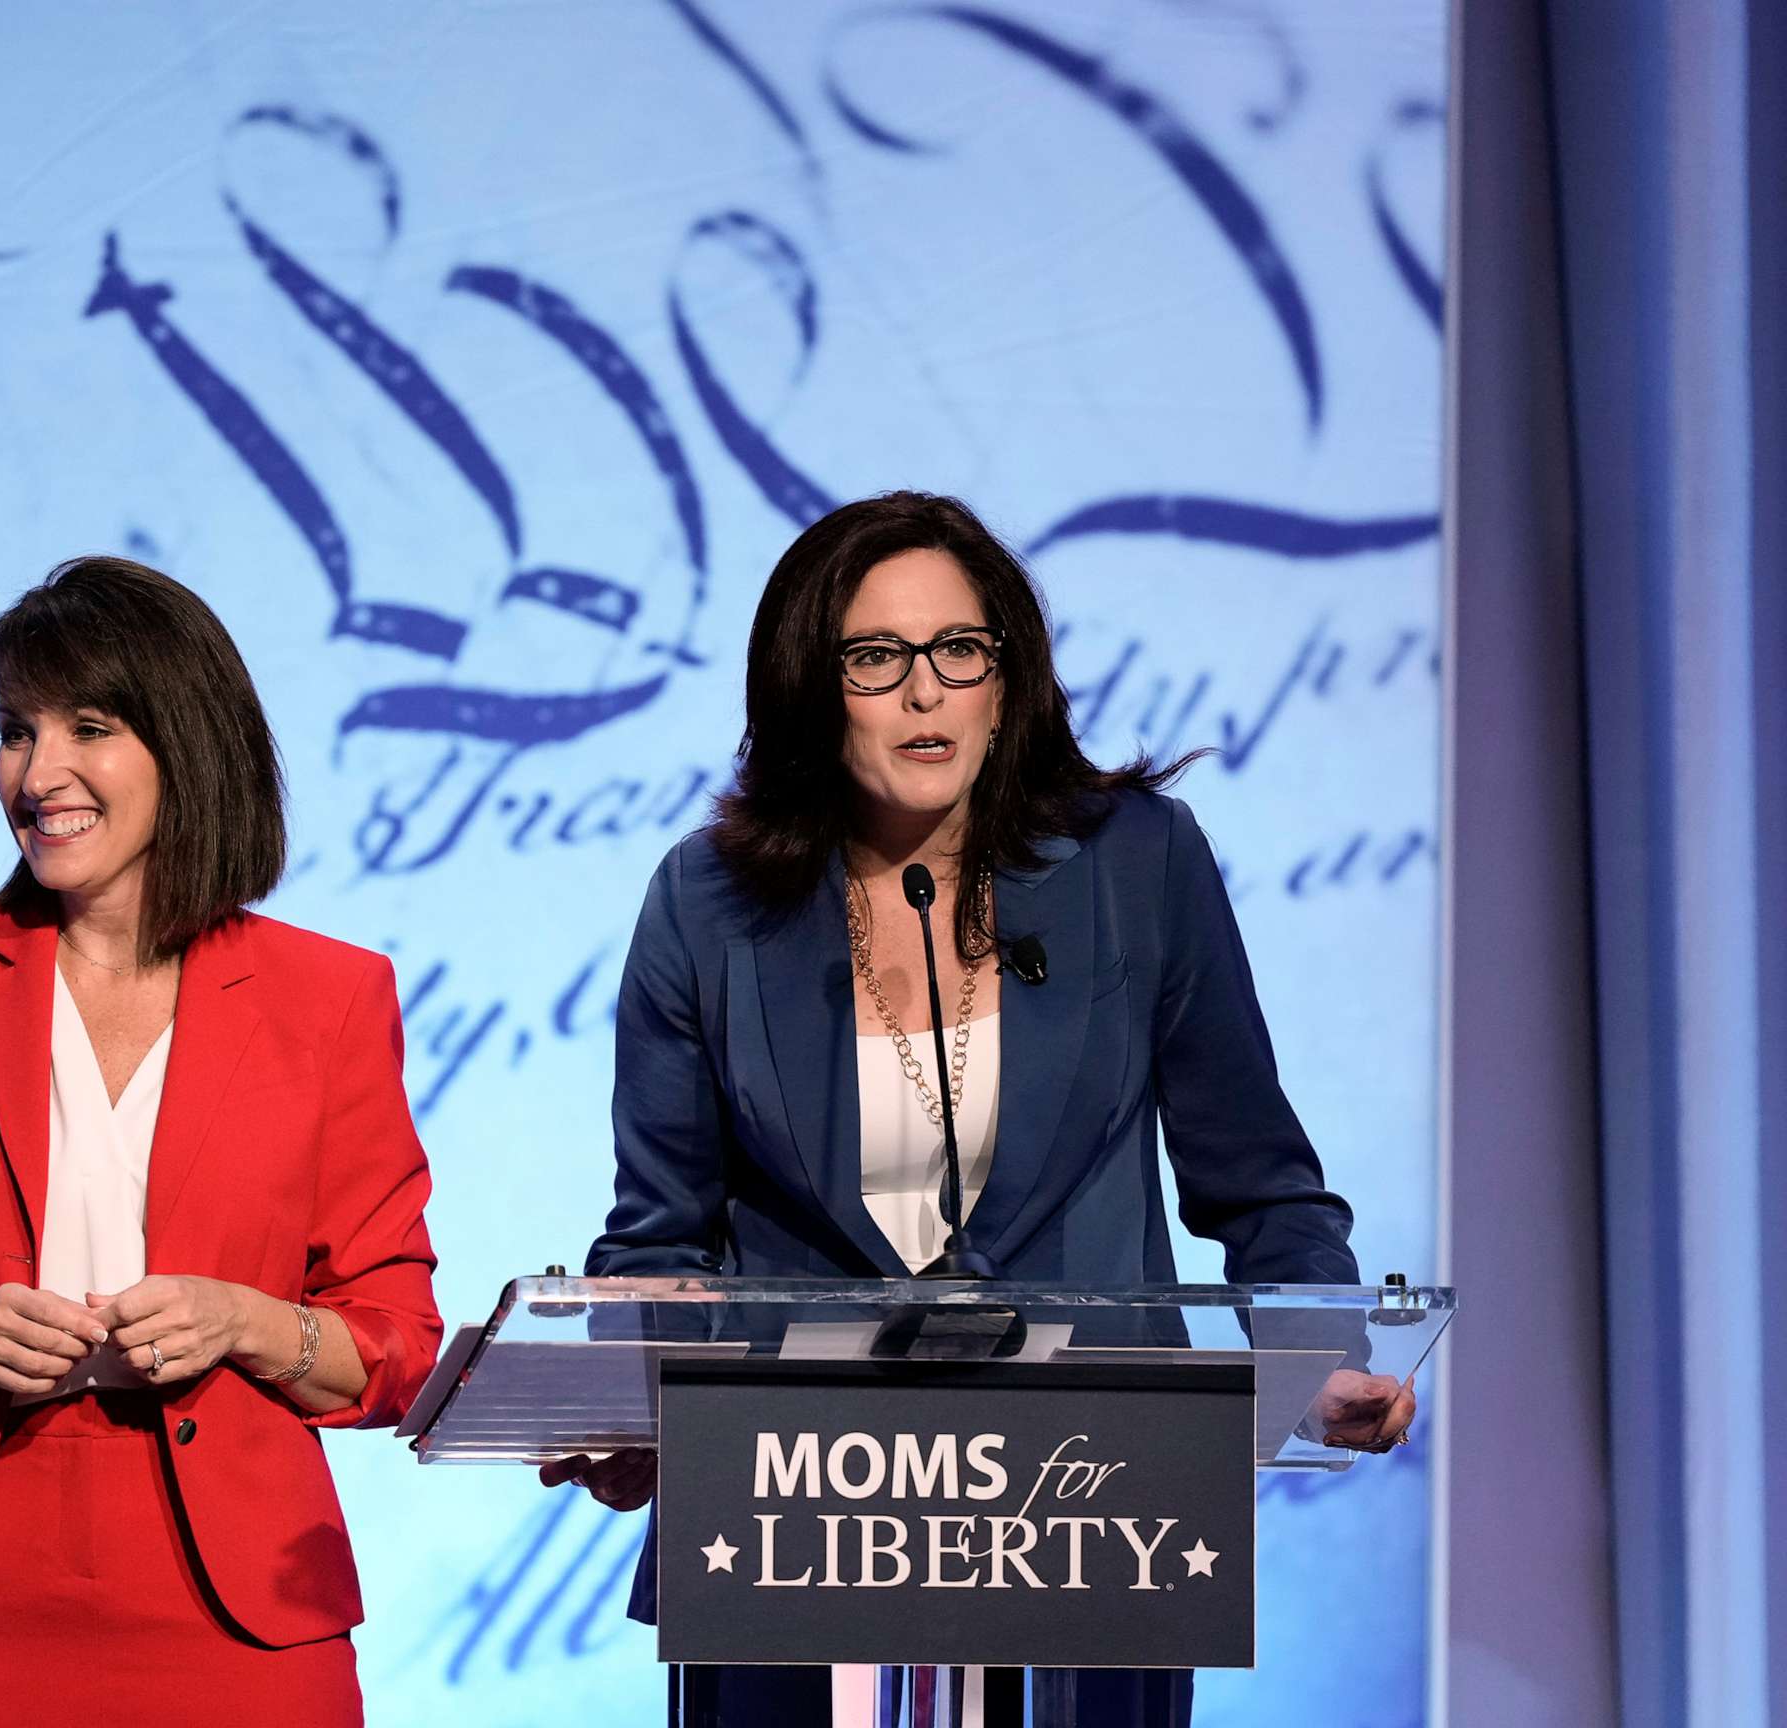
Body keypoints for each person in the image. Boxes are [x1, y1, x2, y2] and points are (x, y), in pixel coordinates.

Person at [545, 492, 1415, 1728]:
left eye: (960, 651)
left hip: (1095, 1507)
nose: (924, 692)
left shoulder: (1137, 865)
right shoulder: (708, 903)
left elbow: (1259, 1178)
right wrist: (628, 1410)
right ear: (809, 686)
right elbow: (658, 1239)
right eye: (875, 658)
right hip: (789, 1512)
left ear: (1006, 684)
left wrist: (1319, 1358)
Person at [0, 556, 440, 1728]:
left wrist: (243, 1319)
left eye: (89, 726)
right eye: (15, 732)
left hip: (238, 1614)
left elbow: (394, 1349)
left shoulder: (329, 995)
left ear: (186, 744)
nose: (38, 775)